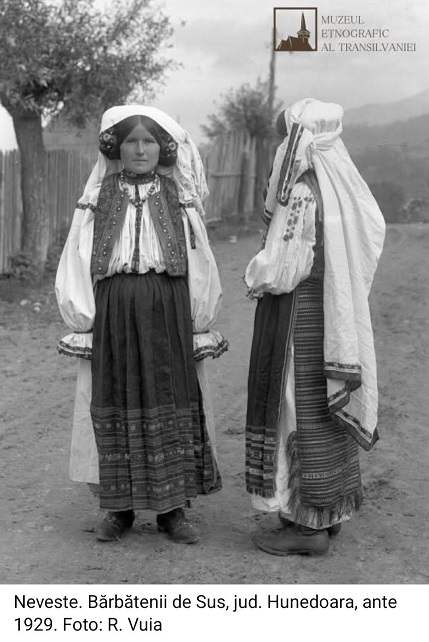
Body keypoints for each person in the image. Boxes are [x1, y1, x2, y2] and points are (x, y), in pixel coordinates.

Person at [55, 105, 228, 544]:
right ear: (115, 147)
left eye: (148, 141)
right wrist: (82, 315)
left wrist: (199, 315)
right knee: (115, 394)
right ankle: (119, 508)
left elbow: (199, 259)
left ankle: (173, 509)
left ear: (162, 149)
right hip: (114, 306)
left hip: (167, 306)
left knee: (169, 394)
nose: (139, 149)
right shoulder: (98, 197)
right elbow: (77, 255)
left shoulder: (177, 197)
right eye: (130, 141)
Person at [244, 98, 385, 556]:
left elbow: (281, 268)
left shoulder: (303, 191)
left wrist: (254, 276)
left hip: (299, 316)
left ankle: (308, 529)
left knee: (298, 409)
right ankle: (329, 512)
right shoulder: (342, 187)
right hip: (332, 315)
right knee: (325, 409)